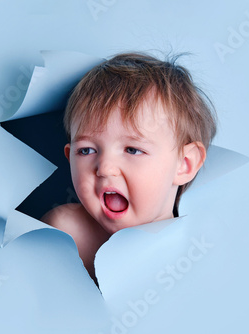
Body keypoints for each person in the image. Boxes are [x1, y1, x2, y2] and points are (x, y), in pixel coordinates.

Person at [42, 52, 217, 280]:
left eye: (132, 150)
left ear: (184, 164)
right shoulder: (66, 232)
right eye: (86, 150)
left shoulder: (194, 253)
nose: (105, 168)